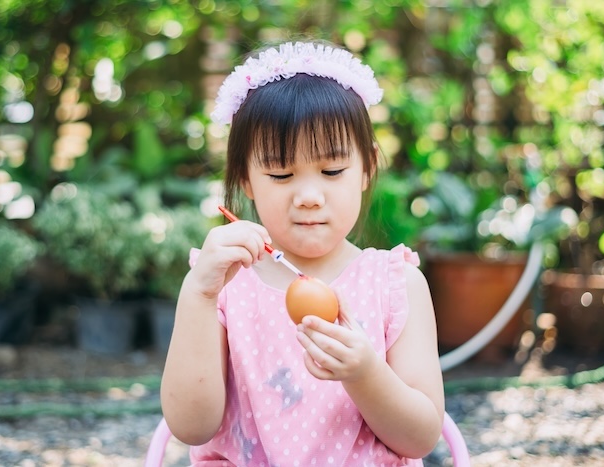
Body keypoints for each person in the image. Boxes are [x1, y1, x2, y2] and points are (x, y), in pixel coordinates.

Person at [161, 41, 444, 466]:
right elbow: (190, 426)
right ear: (246, 179)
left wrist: (365, 373)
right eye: (280, 173)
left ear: (366, 168)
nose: (309, 196)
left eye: (332, 171)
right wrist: (199, 295)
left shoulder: (396, 283)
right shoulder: (221, 284)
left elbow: (421, 438)